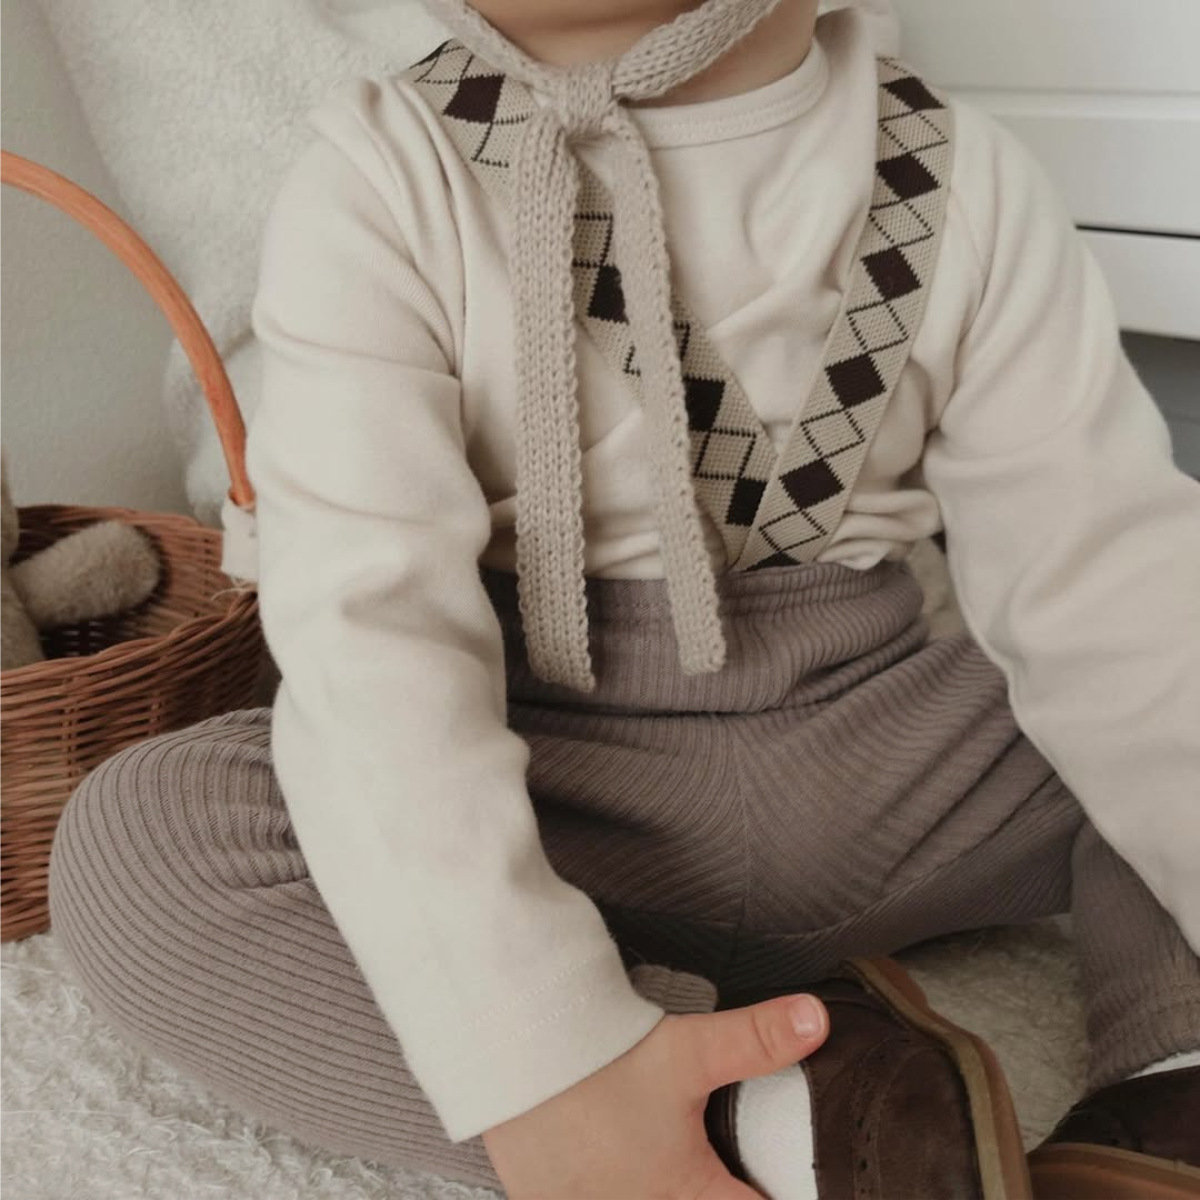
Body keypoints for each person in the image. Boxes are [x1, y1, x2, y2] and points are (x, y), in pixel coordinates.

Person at [48, 1, 1200, 1197]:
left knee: (1154, 667)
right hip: (558, 792)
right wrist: (537, 1055)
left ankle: (1172, 1072)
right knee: (146, 836)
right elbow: (372, 638)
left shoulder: (962, 172)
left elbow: (1105, 590)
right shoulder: (383, 176)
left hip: (906, 767)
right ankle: (761, 1110)